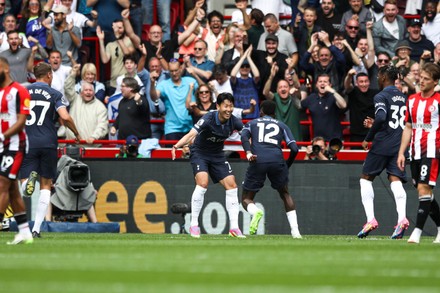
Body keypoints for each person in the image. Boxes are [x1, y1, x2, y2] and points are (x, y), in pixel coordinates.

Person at [171, 93, 245, 238]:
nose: (229, 109)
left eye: (231, 106)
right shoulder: (208, 118)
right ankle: (193, 225)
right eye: (226, 106)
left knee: (232, 185)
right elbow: (191, 135)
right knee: (203, 183)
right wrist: (176, 145)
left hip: (217, 155)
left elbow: (247, 135)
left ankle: (234, 228)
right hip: (200, 153)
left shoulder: (235, 121)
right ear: (217, 106)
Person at [21, 62, 81, 238]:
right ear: (48, 75)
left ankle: (27, 182)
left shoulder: (23, 92)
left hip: (28, 142)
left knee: (25, 187)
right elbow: (65, 116)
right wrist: (76, 133)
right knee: (46, 186)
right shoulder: (55, 93)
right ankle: (36, 229)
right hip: (48, 142)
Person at [357, 65, 409, 239]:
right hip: (399, 143)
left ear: (385, 76)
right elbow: (394, 120)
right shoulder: (403, 97)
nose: (377, 79)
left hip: (382, 143)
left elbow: (380, 117)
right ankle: (402, 219)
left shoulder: (381, 95)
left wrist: (368, 138)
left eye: (379, 75)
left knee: (366, 178)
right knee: (395, 179)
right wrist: (377, 124)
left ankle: (370, 219)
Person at [241, 100, 302, 238]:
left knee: (246, 198)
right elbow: (294, 148)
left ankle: (255, 211)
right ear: (274, 113)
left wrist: (248, 152)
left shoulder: (252, 123)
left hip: (258, 160)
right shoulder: (282, 125)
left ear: (261, 111)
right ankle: (295, 232)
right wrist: (286, 165)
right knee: (285, 194)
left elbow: (244, 137)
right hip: (277, 160)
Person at [397, 62, 440, 244]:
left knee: (424, 188)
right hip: (414, 151)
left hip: (432, 150)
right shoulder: (412, 100)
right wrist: (401, 152)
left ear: (435, 82)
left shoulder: (438, 100)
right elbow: (408, 127)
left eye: (426, 79)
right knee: (425, 193)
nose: (421, 82)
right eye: (420, 78)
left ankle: (417, 232)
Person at [0, 56, 33, 245]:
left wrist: (3, 136)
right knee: (12, 189)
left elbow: (21, 122)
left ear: (4, 69)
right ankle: (24, 232)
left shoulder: (20, 91)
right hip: (2, 145)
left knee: (2, 182)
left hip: (15, 145)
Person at [64, 64, 108, 143]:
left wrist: (94, 137)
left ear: (94, 92)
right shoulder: (75, 99)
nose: (88, 92)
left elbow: (102, 126)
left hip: (92, 147)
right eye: (86, 90)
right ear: (80, 92)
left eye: (90, 90)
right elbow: (67, 88)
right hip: (73, 145)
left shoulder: (101, 107)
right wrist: (73, 73)